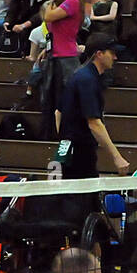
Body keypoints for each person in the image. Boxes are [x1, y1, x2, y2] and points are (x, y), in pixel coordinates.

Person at [57, 32, 130, 179]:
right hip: (80, 153)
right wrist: (117, 157)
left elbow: (58, 113)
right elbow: (94, 123)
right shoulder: (87, 80)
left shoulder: (79, 75)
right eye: (112, 53)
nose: (115, 58)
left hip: (67, 148)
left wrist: (65, 139)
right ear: (99, 54)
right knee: (80, 197)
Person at [40, 0, 84, 134]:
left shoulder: (73, 2)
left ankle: (65, 133)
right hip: (55, 56)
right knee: (51, 99)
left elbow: (48, 16)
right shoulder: (62, 5)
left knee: (64, 99)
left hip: (67, 58)